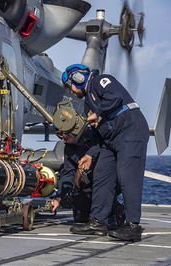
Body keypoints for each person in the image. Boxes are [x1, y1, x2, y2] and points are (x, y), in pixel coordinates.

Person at [61, 64, 149, 242]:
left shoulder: (101, 81)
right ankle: (98, 221)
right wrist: (89, 155)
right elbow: (99, 135)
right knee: (102, 174)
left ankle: (133, 225)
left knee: (127, 176)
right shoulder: (88, 104)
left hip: (130, 130)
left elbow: (114, 97)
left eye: (69, 86)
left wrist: (98, 114)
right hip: (111, 139)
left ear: (77, 79)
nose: (70, 92)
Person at [51, 130, 123, 230]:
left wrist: (80, 170)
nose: (64, 137)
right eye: (60, 134)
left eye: (66, 133)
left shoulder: (95, 139)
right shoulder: (69, 148)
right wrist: (58, 198)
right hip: (89, 183)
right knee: (81, 215)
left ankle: (115, 213)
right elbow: (68, 173)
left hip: (110, 179)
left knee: (102, 185)